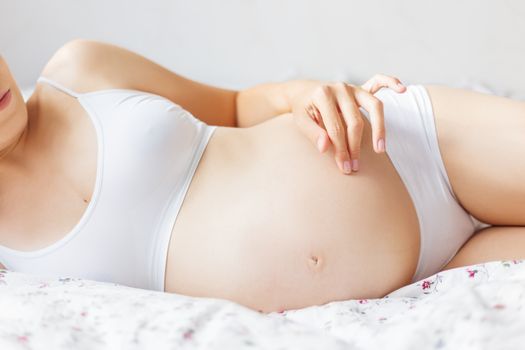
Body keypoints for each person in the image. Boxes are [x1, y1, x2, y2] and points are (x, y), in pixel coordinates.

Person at [0, 40, 523, 313]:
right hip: (430, 276)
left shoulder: (79, 70)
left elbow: (236, 103)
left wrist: (305, 95)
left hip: (413, 148)